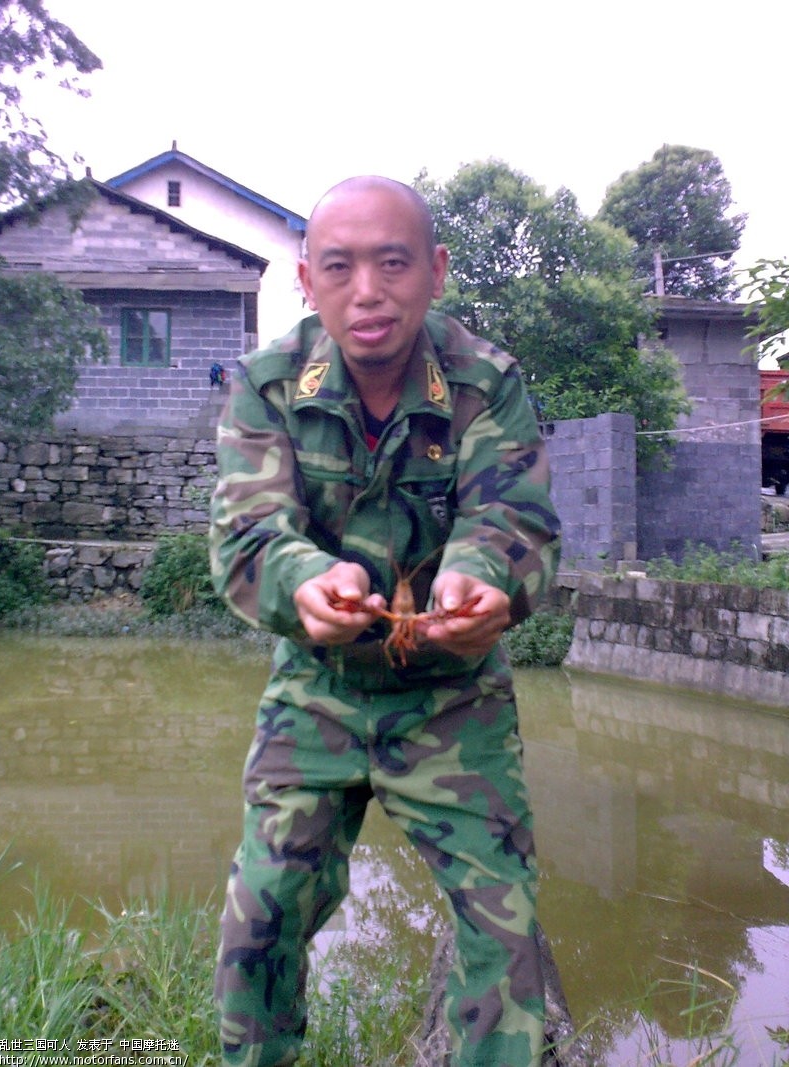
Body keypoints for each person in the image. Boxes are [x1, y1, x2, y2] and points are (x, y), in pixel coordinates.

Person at [209, 175, 561, 1067]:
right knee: (261, 918)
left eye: (393, 263)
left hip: (453, 697)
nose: (368, 291)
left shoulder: (488, 380)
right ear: (305, 278)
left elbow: (513, 520)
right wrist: (307, 583)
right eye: (340, 266)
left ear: (435, 271)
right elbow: (248, 533)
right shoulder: (268, 385)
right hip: (317, 691)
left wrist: (483, 583)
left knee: (504, 929)